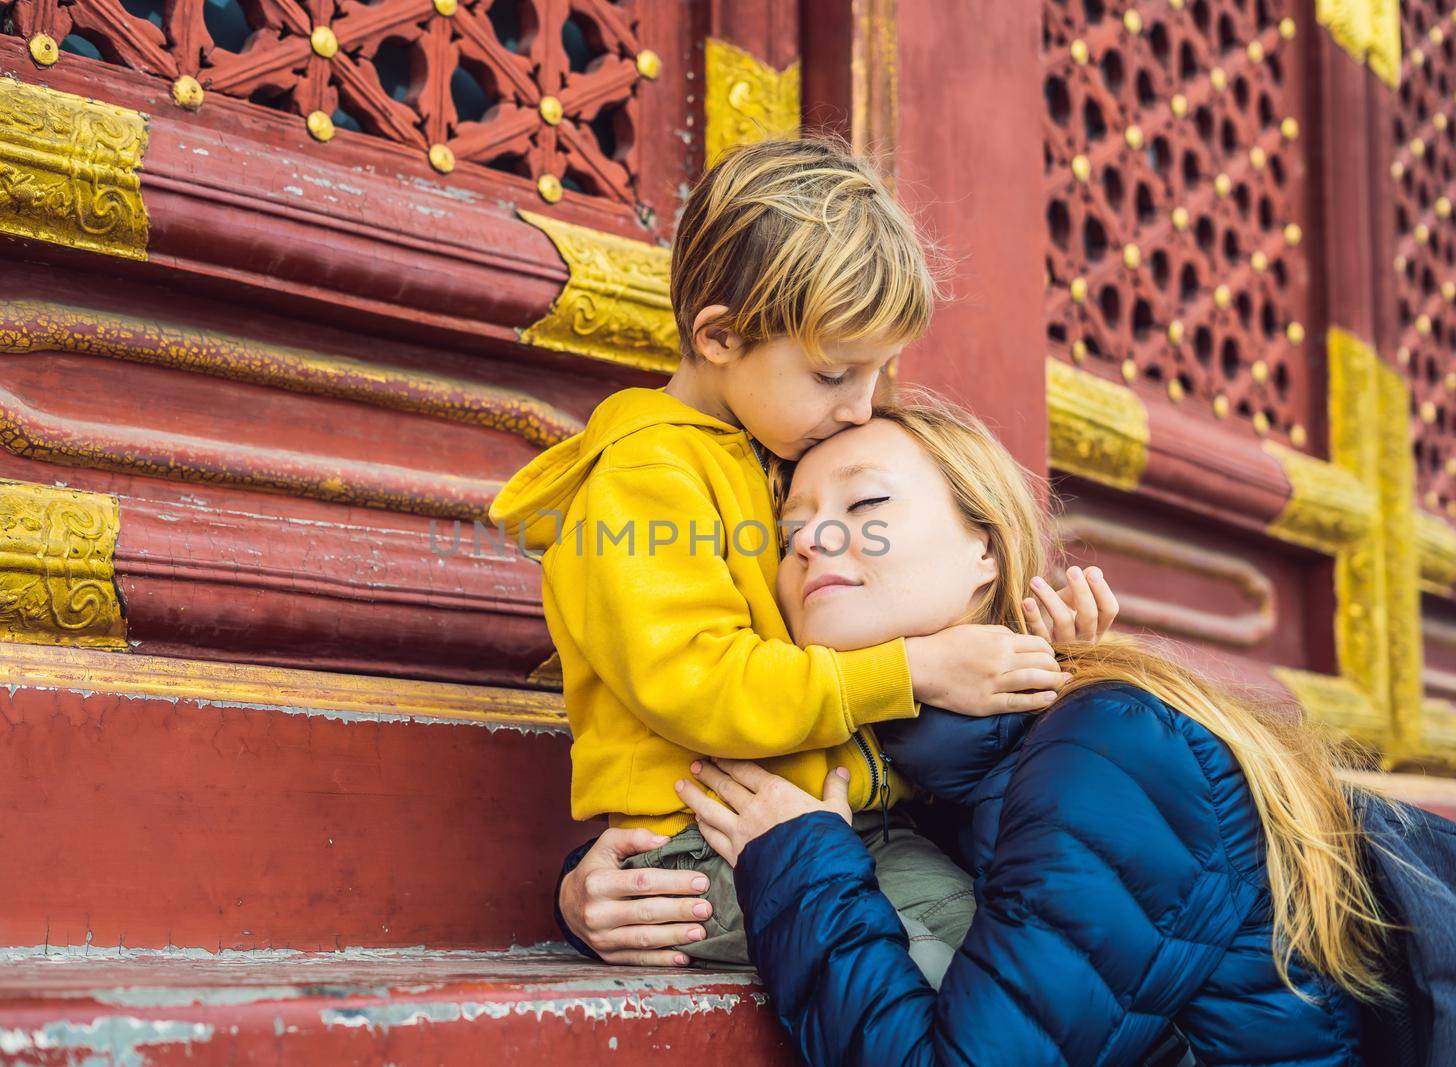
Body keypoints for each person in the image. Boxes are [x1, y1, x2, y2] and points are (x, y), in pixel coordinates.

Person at [488, 136, 1090, 968]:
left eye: (878, 374)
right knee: (940, 977)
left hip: (855, 823)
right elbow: (699, 682)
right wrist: (913, 667)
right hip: (702, 847)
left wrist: (1038, 643)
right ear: (722, 336)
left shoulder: (781, 456)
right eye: (836, 374)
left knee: (1012, 955)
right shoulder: (644, 475)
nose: (861, 407)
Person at [675, 394, 1391, 1065]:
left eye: (866, 503)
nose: (810, 542)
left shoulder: (1109, 750)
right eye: (789, 530)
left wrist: (800, 868)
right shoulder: (925, 778)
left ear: (985, 549)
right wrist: (599, 897)